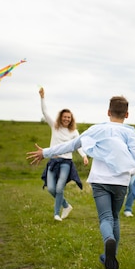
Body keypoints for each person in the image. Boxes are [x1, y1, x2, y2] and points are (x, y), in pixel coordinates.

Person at [27, 95, 135, 269]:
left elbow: (71, 145)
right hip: (120, 183)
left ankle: (108, 242)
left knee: (105, 218)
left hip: (99, 181)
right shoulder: (129, 133)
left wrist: (45, 152)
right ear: (127, 114)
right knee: (115, 217)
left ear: (108, 112)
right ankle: (110, 255)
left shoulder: (96, 129)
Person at [39, 87, 89, 221]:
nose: (66, 119)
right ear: (61, 117)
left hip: (66, 162)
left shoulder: (74, 132)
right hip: (53, 161)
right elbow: (44, 112)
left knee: (60, 188)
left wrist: (84, 156)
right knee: (51, 189)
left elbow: (78, 145)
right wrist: (42, 97)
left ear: (71, 119)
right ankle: (66, 206)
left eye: (69, 117)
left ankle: (56, 213)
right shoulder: (54, 126)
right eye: (65, 117)